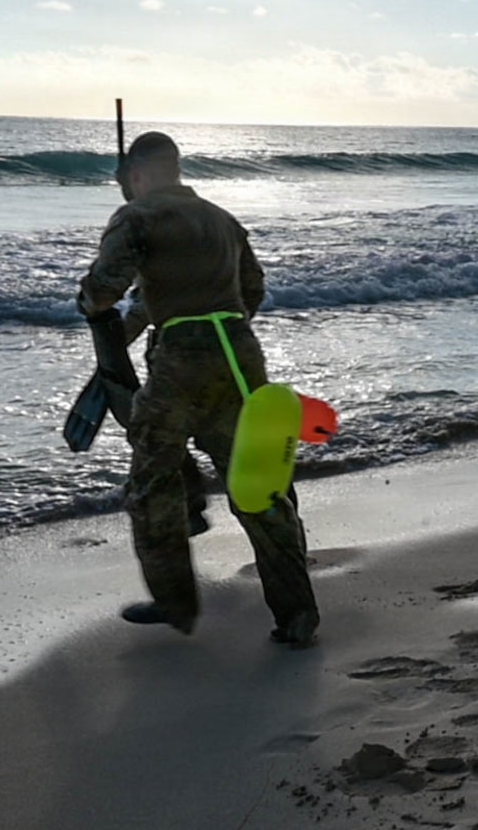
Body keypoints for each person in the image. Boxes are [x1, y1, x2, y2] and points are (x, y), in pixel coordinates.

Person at [77, 131, 318, 646]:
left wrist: (91, 305)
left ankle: (175, 602)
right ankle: (296, 613)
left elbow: (104, 289)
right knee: (260, 488)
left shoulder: (136, 217)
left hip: (179, 365)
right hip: (241, 357)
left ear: (137, 174)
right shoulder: (222, 220)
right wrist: (202, 325)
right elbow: (252, 288)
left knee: (151, 482)